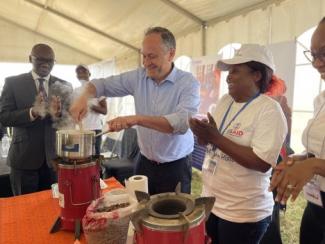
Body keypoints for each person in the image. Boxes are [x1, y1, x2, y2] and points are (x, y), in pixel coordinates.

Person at [70, 27, 200, 195]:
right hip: (144, 163)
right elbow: (102, 84)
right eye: (144, 56)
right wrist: (84, 96)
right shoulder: (138, 77)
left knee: (172, 217)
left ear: (171, 54)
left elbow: (182, 123)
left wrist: (136, 119)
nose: (146, 63)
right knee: (140, 212)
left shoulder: (188, 83)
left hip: (176, 166)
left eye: (152, 56)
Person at [189, 44, 287, 244]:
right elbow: (212, 143)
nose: (228, 77)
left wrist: (215, 137)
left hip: (243, 213)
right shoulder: (226, 101)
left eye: (235, 71)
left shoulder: (269, 110)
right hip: (212, 203)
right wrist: (202, 134)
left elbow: (261, 162)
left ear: (256, 75)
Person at [270, 17, 325, 244]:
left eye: (323, 52)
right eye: (312, 55)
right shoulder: (320, 99)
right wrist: (301, 158)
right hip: (317, 204)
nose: (316, 63)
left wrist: (313, 165)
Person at [0, 43, 72, 195]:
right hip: (23, 160)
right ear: (30, 59)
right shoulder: (13, 83)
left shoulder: (64, 85)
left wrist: (58, 114)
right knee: (24, 210)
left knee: (53, 208)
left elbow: (68, 120)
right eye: (40, 59)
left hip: (54, 160)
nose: (45, 63)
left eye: (50, 60)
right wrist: (32, 112)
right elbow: (4, 117)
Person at [74, 64, 107, 155]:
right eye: (78, 72)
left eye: (83, 71)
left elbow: (105, 111)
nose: (81, 74)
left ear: (89, 73)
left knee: (95, 156)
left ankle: (98, 169)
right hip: (81, 130)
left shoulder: (97, 89)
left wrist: (88, 105)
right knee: (83, 155)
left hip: (95, 129)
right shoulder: (76, 91)